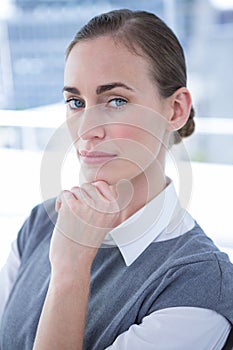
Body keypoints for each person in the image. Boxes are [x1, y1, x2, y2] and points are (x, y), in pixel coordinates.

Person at [0, 8, 233, 350]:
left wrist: (70, 273)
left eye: (117, 100)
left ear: (176, 110)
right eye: (76, 102)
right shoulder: (40, 223)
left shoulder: (199, 283)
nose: (87, 130)